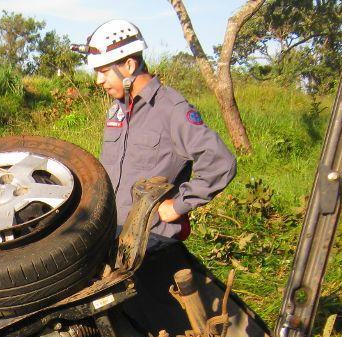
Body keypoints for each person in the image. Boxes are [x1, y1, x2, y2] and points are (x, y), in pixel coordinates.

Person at [83, 19, 236, 243]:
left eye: (104, 71)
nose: (99, 80)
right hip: (111, 234)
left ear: (129, 66)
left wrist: (178, 206)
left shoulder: (171, 109)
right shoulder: (117, 110)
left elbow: (221, 162)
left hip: (150, 242)